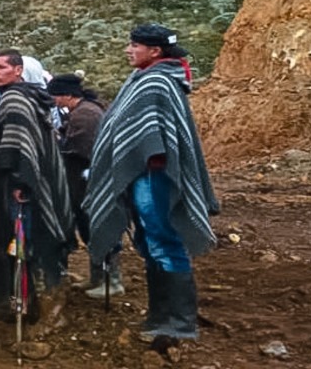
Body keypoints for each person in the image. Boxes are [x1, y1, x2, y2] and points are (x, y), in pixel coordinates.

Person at [85, 24, 218, 344]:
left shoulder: (157, 81)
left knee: (164, 242)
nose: (128, 50)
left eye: (134, 45)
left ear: (155, 51)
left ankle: (180, 322)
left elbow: (153, 134)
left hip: (154, 175)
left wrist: (140, 160)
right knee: (149, 242)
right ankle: (159, 315)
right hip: (142, 175)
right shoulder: (146, 78)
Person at [0, 50, 75, 319]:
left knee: (27, 243)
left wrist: (20, 182)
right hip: (39, 179)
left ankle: (44, 311)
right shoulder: (32, 95)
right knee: (28, 243)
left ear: (18, 70)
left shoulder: (16, 99)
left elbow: (18, 145)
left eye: (0, 67)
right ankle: (28, 304)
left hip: (22, 186)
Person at [46, 73, 116, 296]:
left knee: (98, 230)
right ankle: (97, 278)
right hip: (83, 183)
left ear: (67, 95)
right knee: (89, 230)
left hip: (89, 183)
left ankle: (111, 281)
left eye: (55, 96)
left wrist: (59, 145)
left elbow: (83, 150)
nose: (54, 101)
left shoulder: (85, 116)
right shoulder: (83, 110)